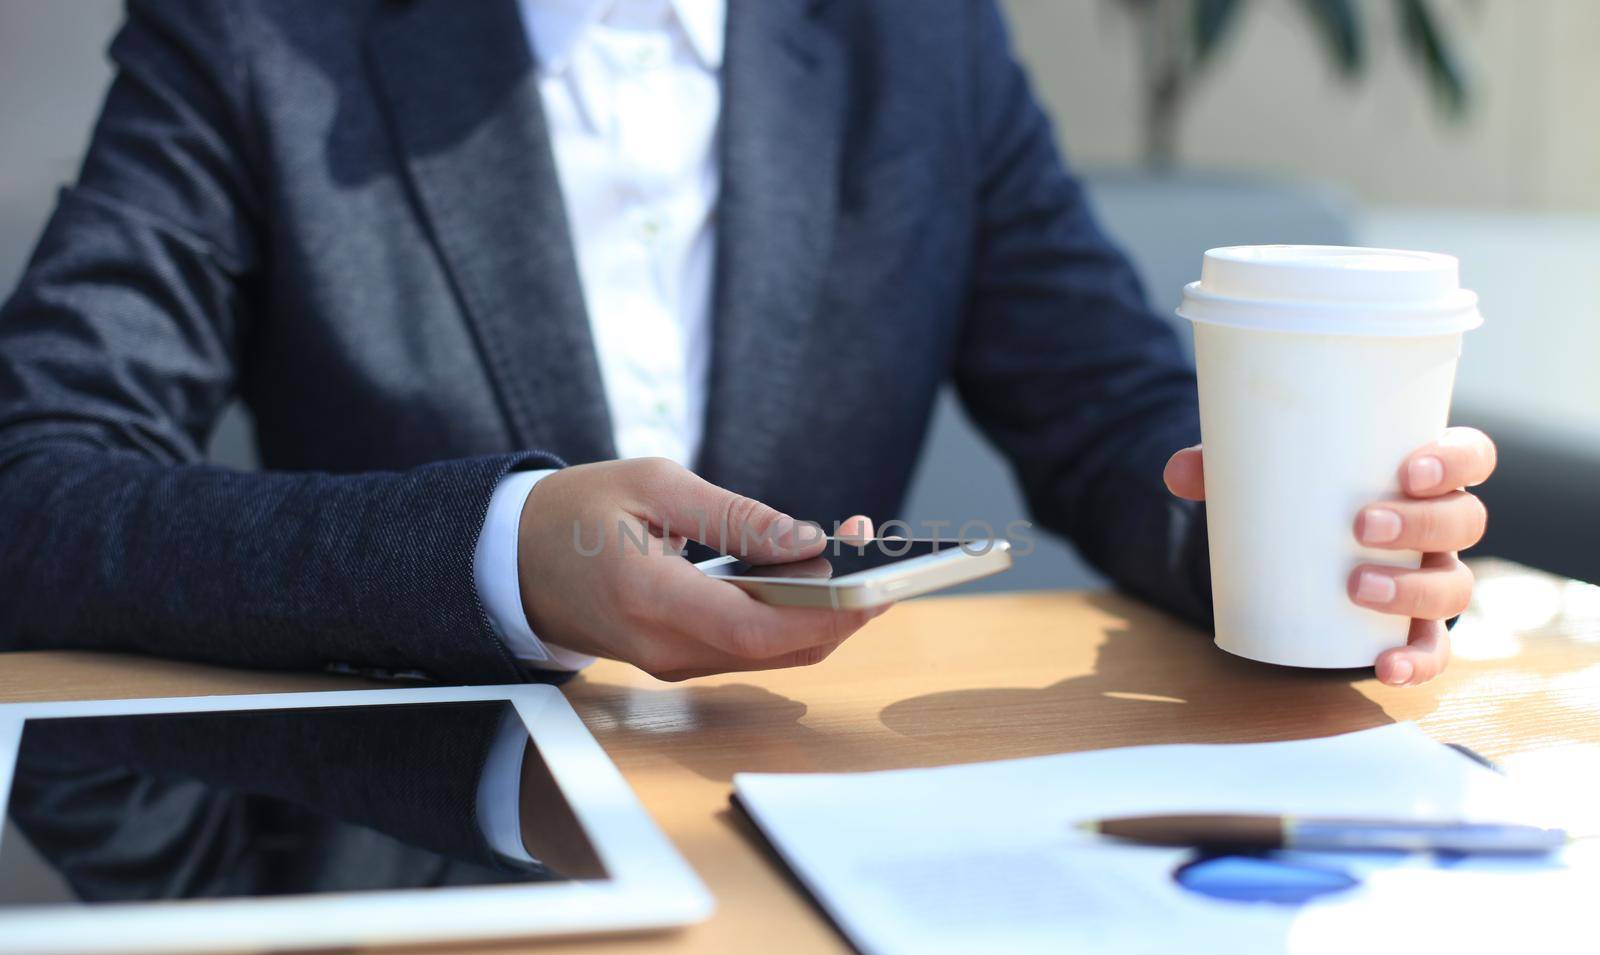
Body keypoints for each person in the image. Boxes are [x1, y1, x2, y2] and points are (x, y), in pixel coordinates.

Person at [0, 0, 1493, 885]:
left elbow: (1113, 410)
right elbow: (34, 480)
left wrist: (1305, 537)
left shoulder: (922, 38)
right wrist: (495, 550)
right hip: (398, 862)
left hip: (810, 864)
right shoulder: (255, 35)